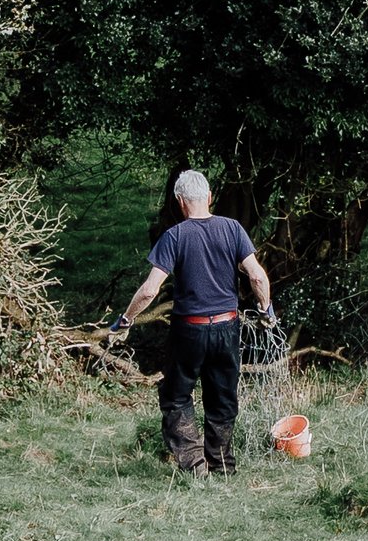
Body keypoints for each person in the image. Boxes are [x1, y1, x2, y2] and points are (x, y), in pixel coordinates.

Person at [109, 167, 276, 478]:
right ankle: (223, 466)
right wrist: (266, 309)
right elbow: (256, 275)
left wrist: (126, 319)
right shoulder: (232, 229)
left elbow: (149, 290)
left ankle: (196, 466)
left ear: (179, 201)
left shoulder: (174, 236)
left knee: (175, 395)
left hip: (189, 329)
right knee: (222, 397)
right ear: (209, 198)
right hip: (227, 326)